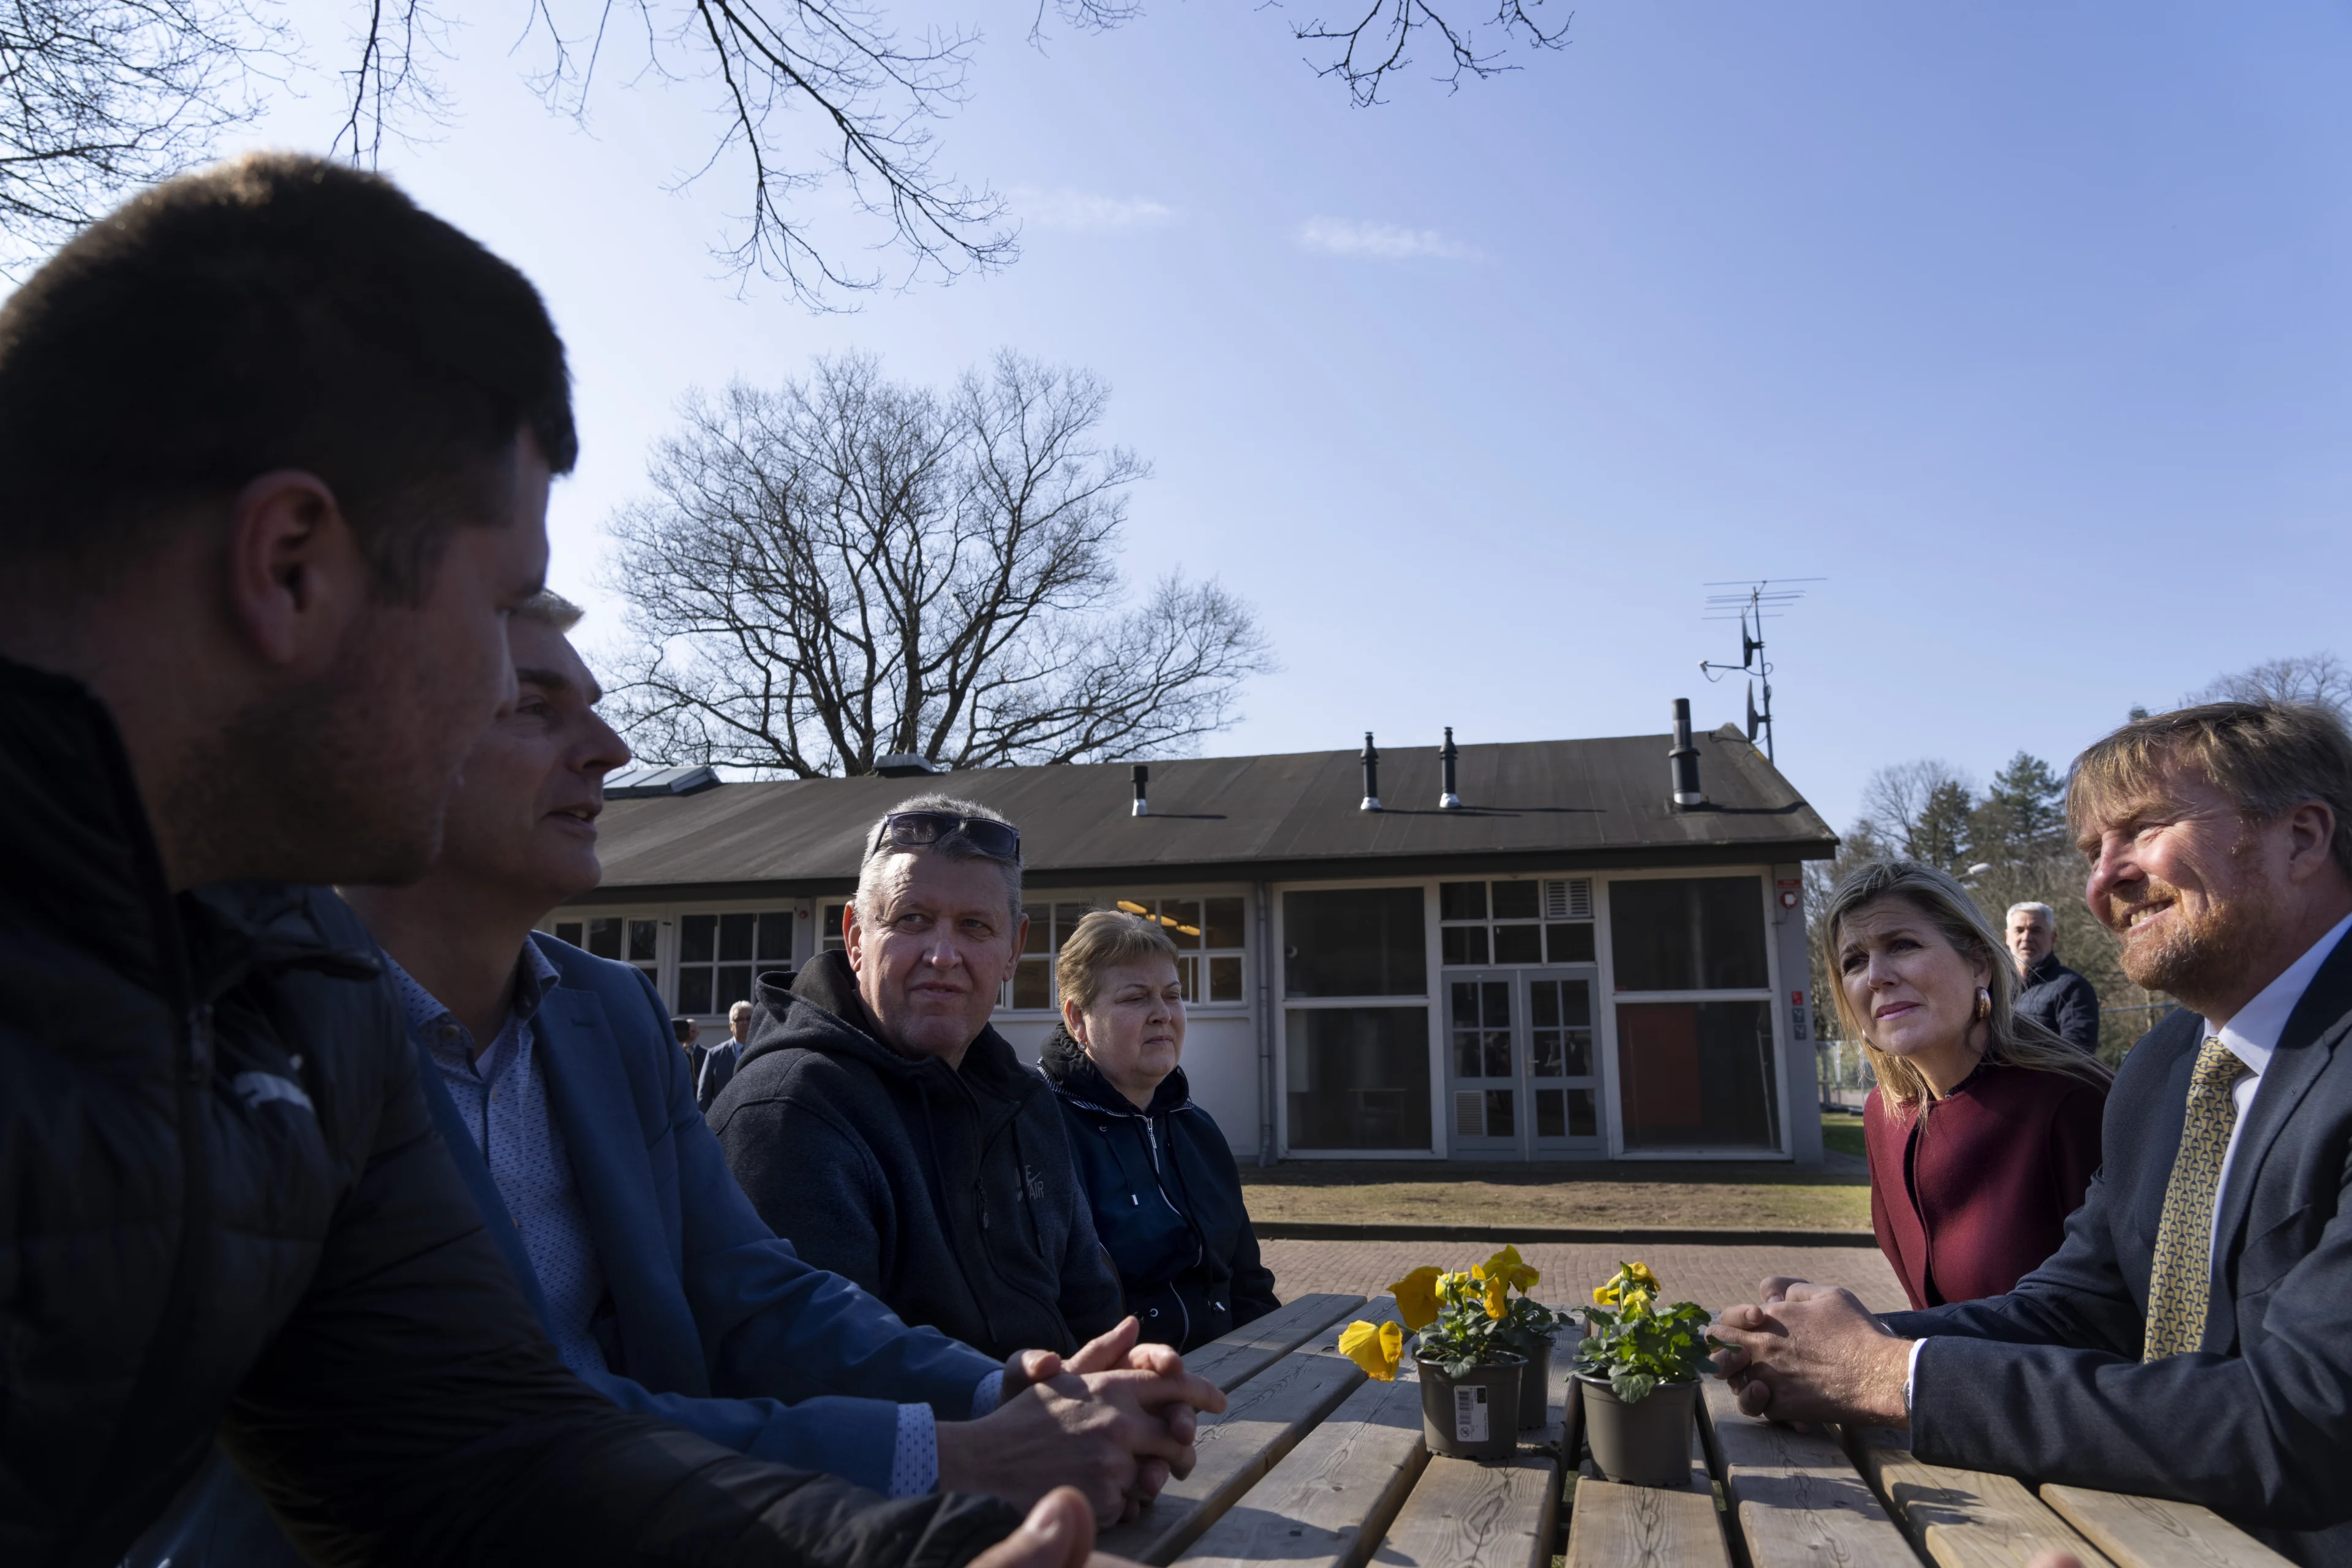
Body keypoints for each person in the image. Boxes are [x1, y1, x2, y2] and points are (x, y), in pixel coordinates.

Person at [1, 154, 1030, 1566]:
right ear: (291, 563)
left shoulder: (285, 986)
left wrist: (916, 1555)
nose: (553, 709)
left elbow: (477, 1447)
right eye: (500, 610)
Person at [1712, 701, 2352, 1565]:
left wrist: (1887, 1377)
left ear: (2304, 838)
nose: (2102, 882)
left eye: (2144, 829)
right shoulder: (2169, 1068)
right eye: (2092, 851)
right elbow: (2083, 1308)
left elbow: (2306, 1422)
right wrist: (1835, 1351)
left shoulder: (2085, 1092)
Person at [712, 797, 1128, 1364]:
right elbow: (821, 1378)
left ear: (1014, 951)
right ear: (856, 937)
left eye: (975, 927)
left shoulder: (1024, 1102)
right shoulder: (787, 1110)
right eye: (912, 919)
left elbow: (1093, 1308)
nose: (943, 955)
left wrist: (1127, 1387)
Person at [1826, 861, 2110, 1309]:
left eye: (1902, 945)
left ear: (1979, 964)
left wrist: (1867, 1345)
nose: (1876, 975)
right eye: (1854, 961)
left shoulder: (2075, 1102)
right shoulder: (1884, 1113)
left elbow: (2101, 1322)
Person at [1038, 910, 1281, 1352]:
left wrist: (1280, 1372)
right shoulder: (1036, 1133)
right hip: (1117, 1389)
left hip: (1233, 1374)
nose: (1162, 1014)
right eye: (1136, 998)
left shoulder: (1198, 1130)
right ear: (1078, 1019)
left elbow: (1249, 1286)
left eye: (1173, 995)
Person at [2007, 900, 2102, 1053]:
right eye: (2019, 930)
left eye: (2036, 930)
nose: (2027, 937)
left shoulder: (2072, 988)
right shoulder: (1993, 986)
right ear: (2007, 937)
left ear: (2053, 938)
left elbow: (2078, 1056)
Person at [701, 998, 755, 1110]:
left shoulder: (763, 1052)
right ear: (731, 1025)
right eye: (739, 1019)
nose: (744, 1023)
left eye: (749, 1019)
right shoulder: (714, 1055)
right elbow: (704, 1099)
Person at [677, 1014, 708, 1080]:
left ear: (698, 1033)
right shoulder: (676, 1052)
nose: (689, 1035)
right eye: (687, 1032)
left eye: (693, 1032)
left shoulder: (706, 1054)